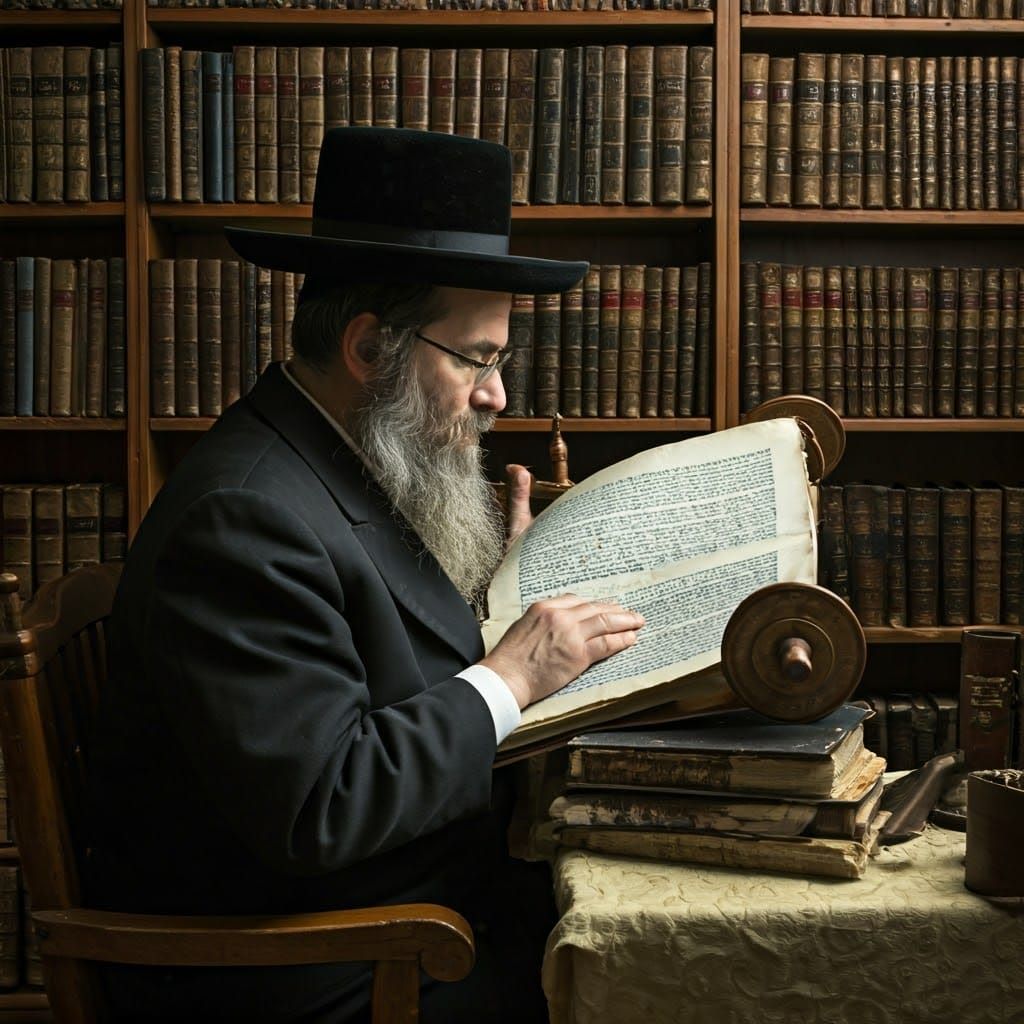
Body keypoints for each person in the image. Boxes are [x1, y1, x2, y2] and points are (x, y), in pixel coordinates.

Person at [84, 128, 645, 1023]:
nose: (497, 395)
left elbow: (393, 659)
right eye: (476, 358)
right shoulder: (243, 518)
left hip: (406, 908)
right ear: (370, 349)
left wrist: (511, 585)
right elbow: (322, 803)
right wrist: (510, 675)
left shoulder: (349, 458)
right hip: (319, 969)